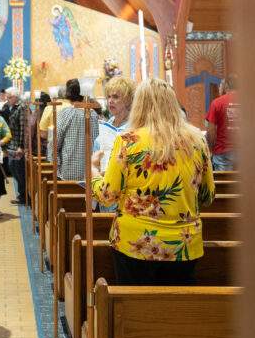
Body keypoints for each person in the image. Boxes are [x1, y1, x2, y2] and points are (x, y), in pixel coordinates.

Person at [90, 78, 215, 285]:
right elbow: (207, 196)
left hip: (136, 243)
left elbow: (107, 196)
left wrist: (94, 170)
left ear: (139, 105)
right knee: (175, 311)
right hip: (183, 243)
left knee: (134, 310)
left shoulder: (128, 141)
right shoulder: (197, 141)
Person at [90, 77, 135, 211]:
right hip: (104, 186)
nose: (110, 101)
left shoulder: (134, 127)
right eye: (108, 96)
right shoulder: (106, 125)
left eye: (115, 97)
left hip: (124, 192)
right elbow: (96, 153)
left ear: (128, 100)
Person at [54, 79, 100, 181]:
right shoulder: (94, 114)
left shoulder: (66, 113)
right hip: (92, 172)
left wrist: (56, 166)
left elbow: (54, 143)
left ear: (68, 94)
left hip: (69, 171)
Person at [205, 74, 239, 171]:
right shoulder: (249, 102)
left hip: (223, 153)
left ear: (225, 86)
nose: (219, 87)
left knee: (225, 184)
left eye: (220, 85)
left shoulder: (217, 103)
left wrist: (210, 150)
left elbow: (211, 131)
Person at [5, 91, 29, 205]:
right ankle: (22, 194)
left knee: (18, 170)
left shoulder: (22, 107)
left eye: (9, 97)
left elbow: (23, 128)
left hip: (17, 146)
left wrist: (21, 146)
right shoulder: (14, 107)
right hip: (12, 144)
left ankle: (24, 196)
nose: (8, 99)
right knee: (13, 168)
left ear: (15, 97)